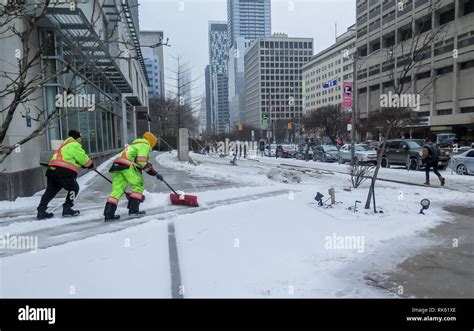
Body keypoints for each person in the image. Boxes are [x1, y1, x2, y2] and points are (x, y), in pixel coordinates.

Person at [103, 132, 163, 221]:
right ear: (151, 141)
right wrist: (155, 173)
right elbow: (141, 162)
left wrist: (153, 171)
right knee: (138, 185)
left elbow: (140, 163)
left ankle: (109, 214)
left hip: (117, 165)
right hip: (127, 166)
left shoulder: (133, 145)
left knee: (117, 190)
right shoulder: (145, 145)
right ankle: (133, 211)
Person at [37, 130, 94, 220]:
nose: (80, 140)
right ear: (76, 138)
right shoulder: (74, 145)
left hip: (52, 170)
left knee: (50, 192)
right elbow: (83, 159)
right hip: (63, 172)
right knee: (74, 188)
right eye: (80, 138)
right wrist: (90, 164)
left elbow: (69, 159)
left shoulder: (64, 145)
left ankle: (41, 211)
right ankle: (67, 208)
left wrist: (82, 165)